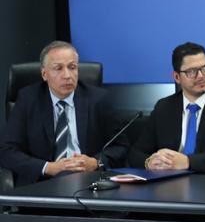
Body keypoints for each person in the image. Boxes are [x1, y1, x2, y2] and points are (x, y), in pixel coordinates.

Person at [0, 40, 126, 186]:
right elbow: (6, 150)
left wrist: (95, 162)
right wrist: (49, 167)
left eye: (72, 67)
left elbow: (120, 146)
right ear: (44, 74)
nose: (67, 75)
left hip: (89, 182)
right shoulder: (28, 99)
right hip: (43, 183)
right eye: (58, 68)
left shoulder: (98, 99)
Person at [127, 42, 205, 174]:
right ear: (177, 77)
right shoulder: (164, 107)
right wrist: (149, 162)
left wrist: (188, 162)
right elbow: (136, 153)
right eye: (192, 71)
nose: (201, 76)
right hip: (168, 187)